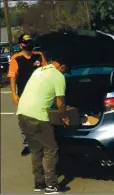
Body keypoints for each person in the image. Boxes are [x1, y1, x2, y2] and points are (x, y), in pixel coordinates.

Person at [16, 54, 69, 194]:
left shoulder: (39, 70)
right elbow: (60, 102)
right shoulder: (58, 76)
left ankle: (39, 183)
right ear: (62, 67)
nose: (64, 72)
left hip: (22, 113)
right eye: (65, 70)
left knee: (36, 149)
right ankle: (51, 185)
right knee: (51, 149)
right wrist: (64, 117)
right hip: (38, 116)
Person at [8, 34, 47, 156]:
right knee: (25, 120)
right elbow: (13, 78)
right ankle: (27, 144)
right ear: (21, 45)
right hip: (24, 94)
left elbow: (47, 72)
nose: (29, 44)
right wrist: (14, 94)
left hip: (40, 93)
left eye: (30, 42)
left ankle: (42, 142)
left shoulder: (38, 55)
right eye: (26, 42)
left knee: (41, 118)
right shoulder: (16, 58)